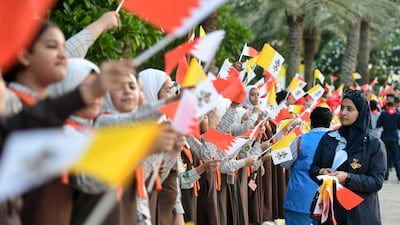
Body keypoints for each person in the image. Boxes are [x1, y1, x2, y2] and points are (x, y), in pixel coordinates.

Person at [309, 90, 386, 225]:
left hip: (361, 215)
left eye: (349, 109)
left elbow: (376, 182)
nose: (343, 113)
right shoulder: (329, 138)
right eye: (342, 107)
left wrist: (347, 177)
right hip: (330, 213)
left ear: (360, 113)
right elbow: (313, 168)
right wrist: (321, 172)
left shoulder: (374, 144)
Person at [280, 107, 332, 225]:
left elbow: (284, 163)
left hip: (299, 201)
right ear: (329, 122)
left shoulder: (300, 140)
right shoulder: (337, 141)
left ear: (311, 122)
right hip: (328, 200)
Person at [377, 101, 400, 181]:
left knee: (385, 157)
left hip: (385, 137)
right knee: (396, 158)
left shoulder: (383, 114)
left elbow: (378, 124)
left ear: (387, 106)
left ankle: (385, 176)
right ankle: (399, 175)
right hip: (394, 137)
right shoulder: (397, 115)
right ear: (393, 106)